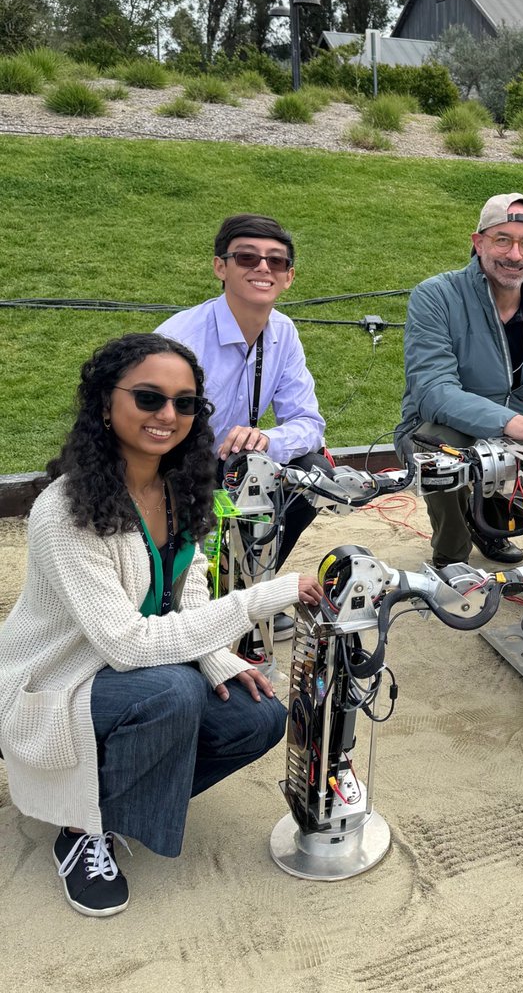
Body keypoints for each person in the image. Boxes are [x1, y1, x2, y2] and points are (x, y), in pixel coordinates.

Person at [0, 334, 322, 917]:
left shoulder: (177, 484)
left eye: (185, 402)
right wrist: (260, 599)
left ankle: (117, 802)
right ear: (105, 403)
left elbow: (189, 579)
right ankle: (80, 829)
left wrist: (216, 655)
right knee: (170, 693)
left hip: (135, 667)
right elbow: (124, 645)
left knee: (259, 715)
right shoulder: (65, 510)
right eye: (149, 398)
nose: (167, 415)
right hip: (55, 679)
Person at [401, 193, 523, 567]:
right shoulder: (435, 296)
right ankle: (451, 552)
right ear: (478, 242)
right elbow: (434, 392)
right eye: (502, 239)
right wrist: (510, 422)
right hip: (441, 430)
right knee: (440, 448)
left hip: (516, 436)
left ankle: (488, 527)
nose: (514, 255)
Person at [157, 214, 326, 635]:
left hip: (231, 465)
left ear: (289, 277)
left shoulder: (283, 332)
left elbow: (308, 422)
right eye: (247, 257)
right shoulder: (182, 338)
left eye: (276, 261)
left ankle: (250, 595)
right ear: (221, 267)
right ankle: (192, 606)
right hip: (171, 464)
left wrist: (267, 438)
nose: (263, 268)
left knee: (314, 474)